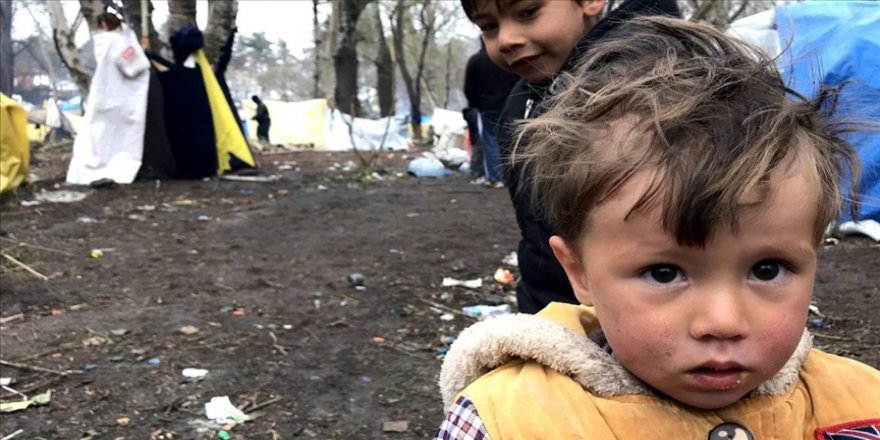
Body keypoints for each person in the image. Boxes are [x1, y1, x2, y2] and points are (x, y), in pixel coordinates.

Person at [434, 17, 880, 439]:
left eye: (767, 269)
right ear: (579, 272)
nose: (723, 322)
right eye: (664, 273)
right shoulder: (511, 420)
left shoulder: (857, 408)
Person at [461, 0, 681, 314]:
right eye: (489, 26)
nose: (506, 38)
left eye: (528, 12)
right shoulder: (524, 98)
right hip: (553, 310)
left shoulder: (645, 86)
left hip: (630, 322)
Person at [66, 11, 150, 185]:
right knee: (123, 140)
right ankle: (119, 168)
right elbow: (135, 66)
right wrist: (141, 51)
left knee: (99, 137)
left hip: (103, 95)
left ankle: (94, 169)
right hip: (122, 98)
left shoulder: (101, 43)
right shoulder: (118, 42)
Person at [463, 43, 519, 188]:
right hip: (509, 104)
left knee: (491, 140)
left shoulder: (476, 61)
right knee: (511, 139)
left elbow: (469, 88)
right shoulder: (506, 59)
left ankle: (496, 177)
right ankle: (513, 176)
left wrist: (475, 104)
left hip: (487, 106)